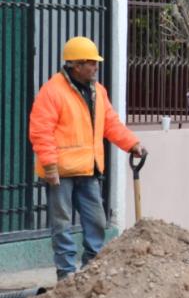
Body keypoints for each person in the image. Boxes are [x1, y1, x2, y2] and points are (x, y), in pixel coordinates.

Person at [29, 37, 148, 280]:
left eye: (95, 63)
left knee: (97, 221)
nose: (96, 67)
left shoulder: (98, 92)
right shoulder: (52, 91)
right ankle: (66, 273)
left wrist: (131, 144)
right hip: (60, 172)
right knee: (62, 224)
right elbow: (41, 131)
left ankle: (91, 270)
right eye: (91, 63)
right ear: (76, 65)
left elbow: (111, 124)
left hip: (88, 170)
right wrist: (50, 166)